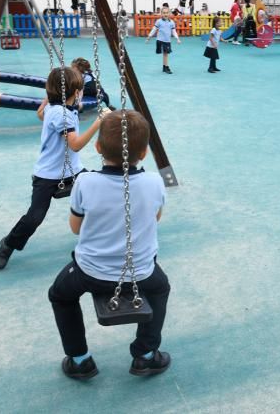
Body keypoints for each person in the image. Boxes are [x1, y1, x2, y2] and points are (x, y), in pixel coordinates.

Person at [47, 110, 171, 380]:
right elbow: (155, 218)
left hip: (90, 272)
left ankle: (79, 359)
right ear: (144, 154)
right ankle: (146, 355)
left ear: (98, 147)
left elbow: (76, 228)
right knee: (161, 289)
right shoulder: (154, 182)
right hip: (141, 273)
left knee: (60, 295)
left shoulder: (85, 181)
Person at [0, 67, 106, 270]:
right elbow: (76, 145)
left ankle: (97, 236)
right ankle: (8, 244)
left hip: (73, 170)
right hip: (47, 175)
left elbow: (40, 114)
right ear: (76, 92)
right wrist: (99, 121)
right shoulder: (63, 115)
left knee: (97, 192)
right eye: (79, 89)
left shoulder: (56, 109)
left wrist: (47, 99)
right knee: (34, 217)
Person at [145, 7, 180, 74]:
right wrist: (149, 37)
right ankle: (166, 67)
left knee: (165, 54)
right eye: (164, 13)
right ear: (161, 14)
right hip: (160, 40)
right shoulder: (158, 21)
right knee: (165, 54)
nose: (165, 14)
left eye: (167, 13)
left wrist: (177, 38)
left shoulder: (172, 22)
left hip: (167, 41)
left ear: (169, 13)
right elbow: (154, 29)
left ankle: (165, 67)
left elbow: (174, 31)